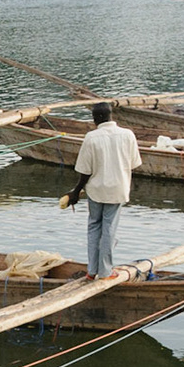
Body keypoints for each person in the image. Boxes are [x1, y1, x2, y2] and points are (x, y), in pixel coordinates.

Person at [64, 102, 142, 278]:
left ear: (95, 119)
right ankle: (105, 270)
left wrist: (76, 191)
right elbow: (134, 164)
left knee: (94, 227)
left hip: (96, 191)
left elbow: (85, 171)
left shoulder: (91, 137)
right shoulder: (127, 135)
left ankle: (92, 271)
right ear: (111, 116)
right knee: (109, 229)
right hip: (117, 189)